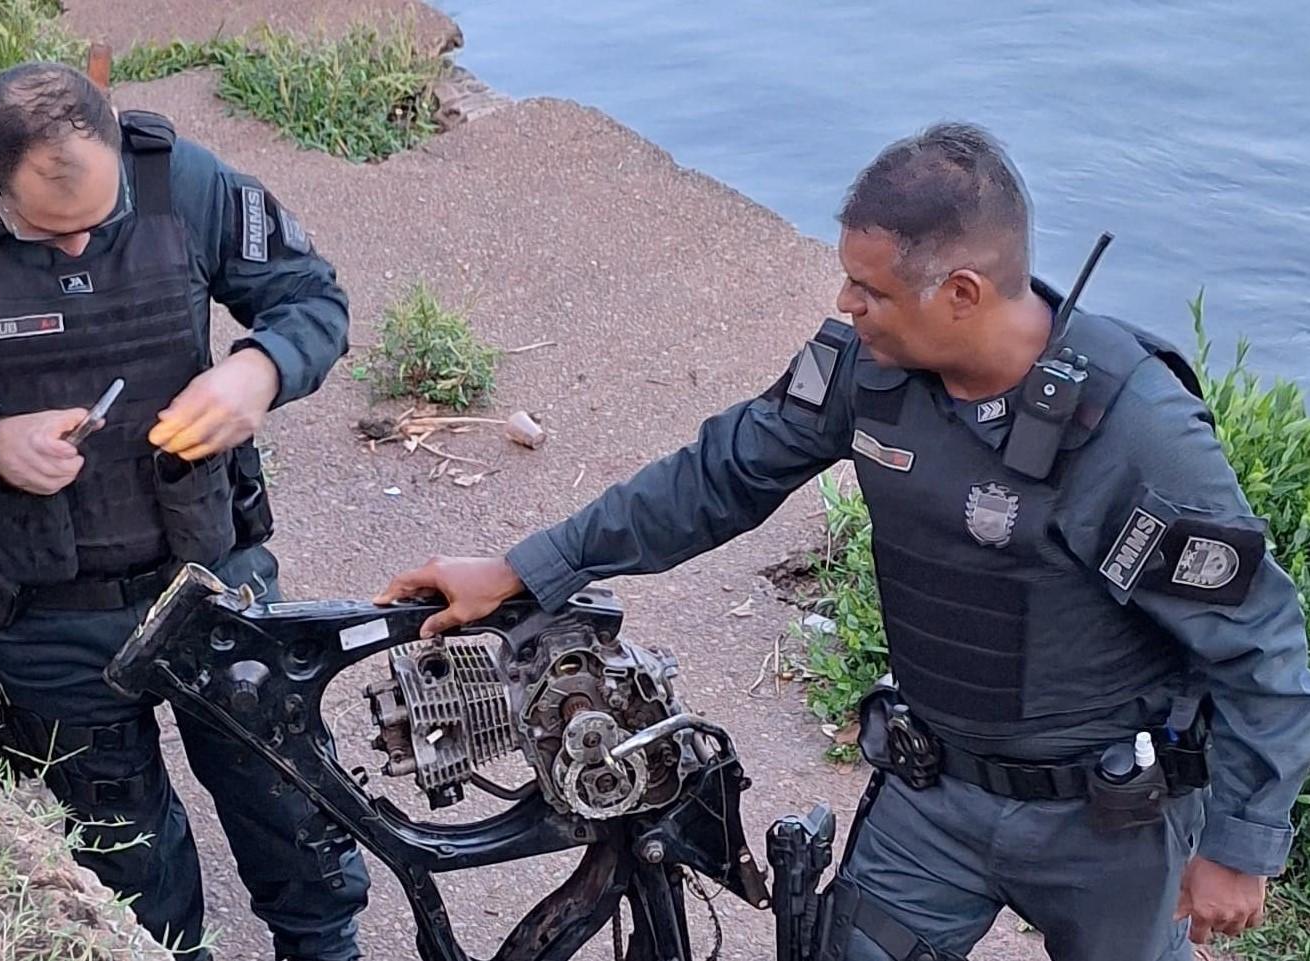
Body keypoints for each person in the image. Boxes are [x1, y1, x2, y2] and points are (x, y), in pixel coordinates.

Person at [374, 123, 1310, 960]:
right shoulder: (868, 367)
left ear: (962, 292)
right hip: (932, 794)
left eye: (870, 289)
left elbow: (1261, 642)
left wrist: (1242, 843)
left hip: (1107, 828)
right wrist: (520, 567)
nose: (845, 304)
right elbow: (718, 476)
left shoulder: (1131, 431)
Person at [0, 62, 368, 960]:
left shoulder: (178, 180)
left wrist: (259, 369)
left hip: (214, 579)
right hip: (47, 612)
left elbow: (312, 298)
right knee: (128, 877)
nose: (76, 249)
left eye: (96, 223)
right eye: (45, 228)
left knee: (292, 813)